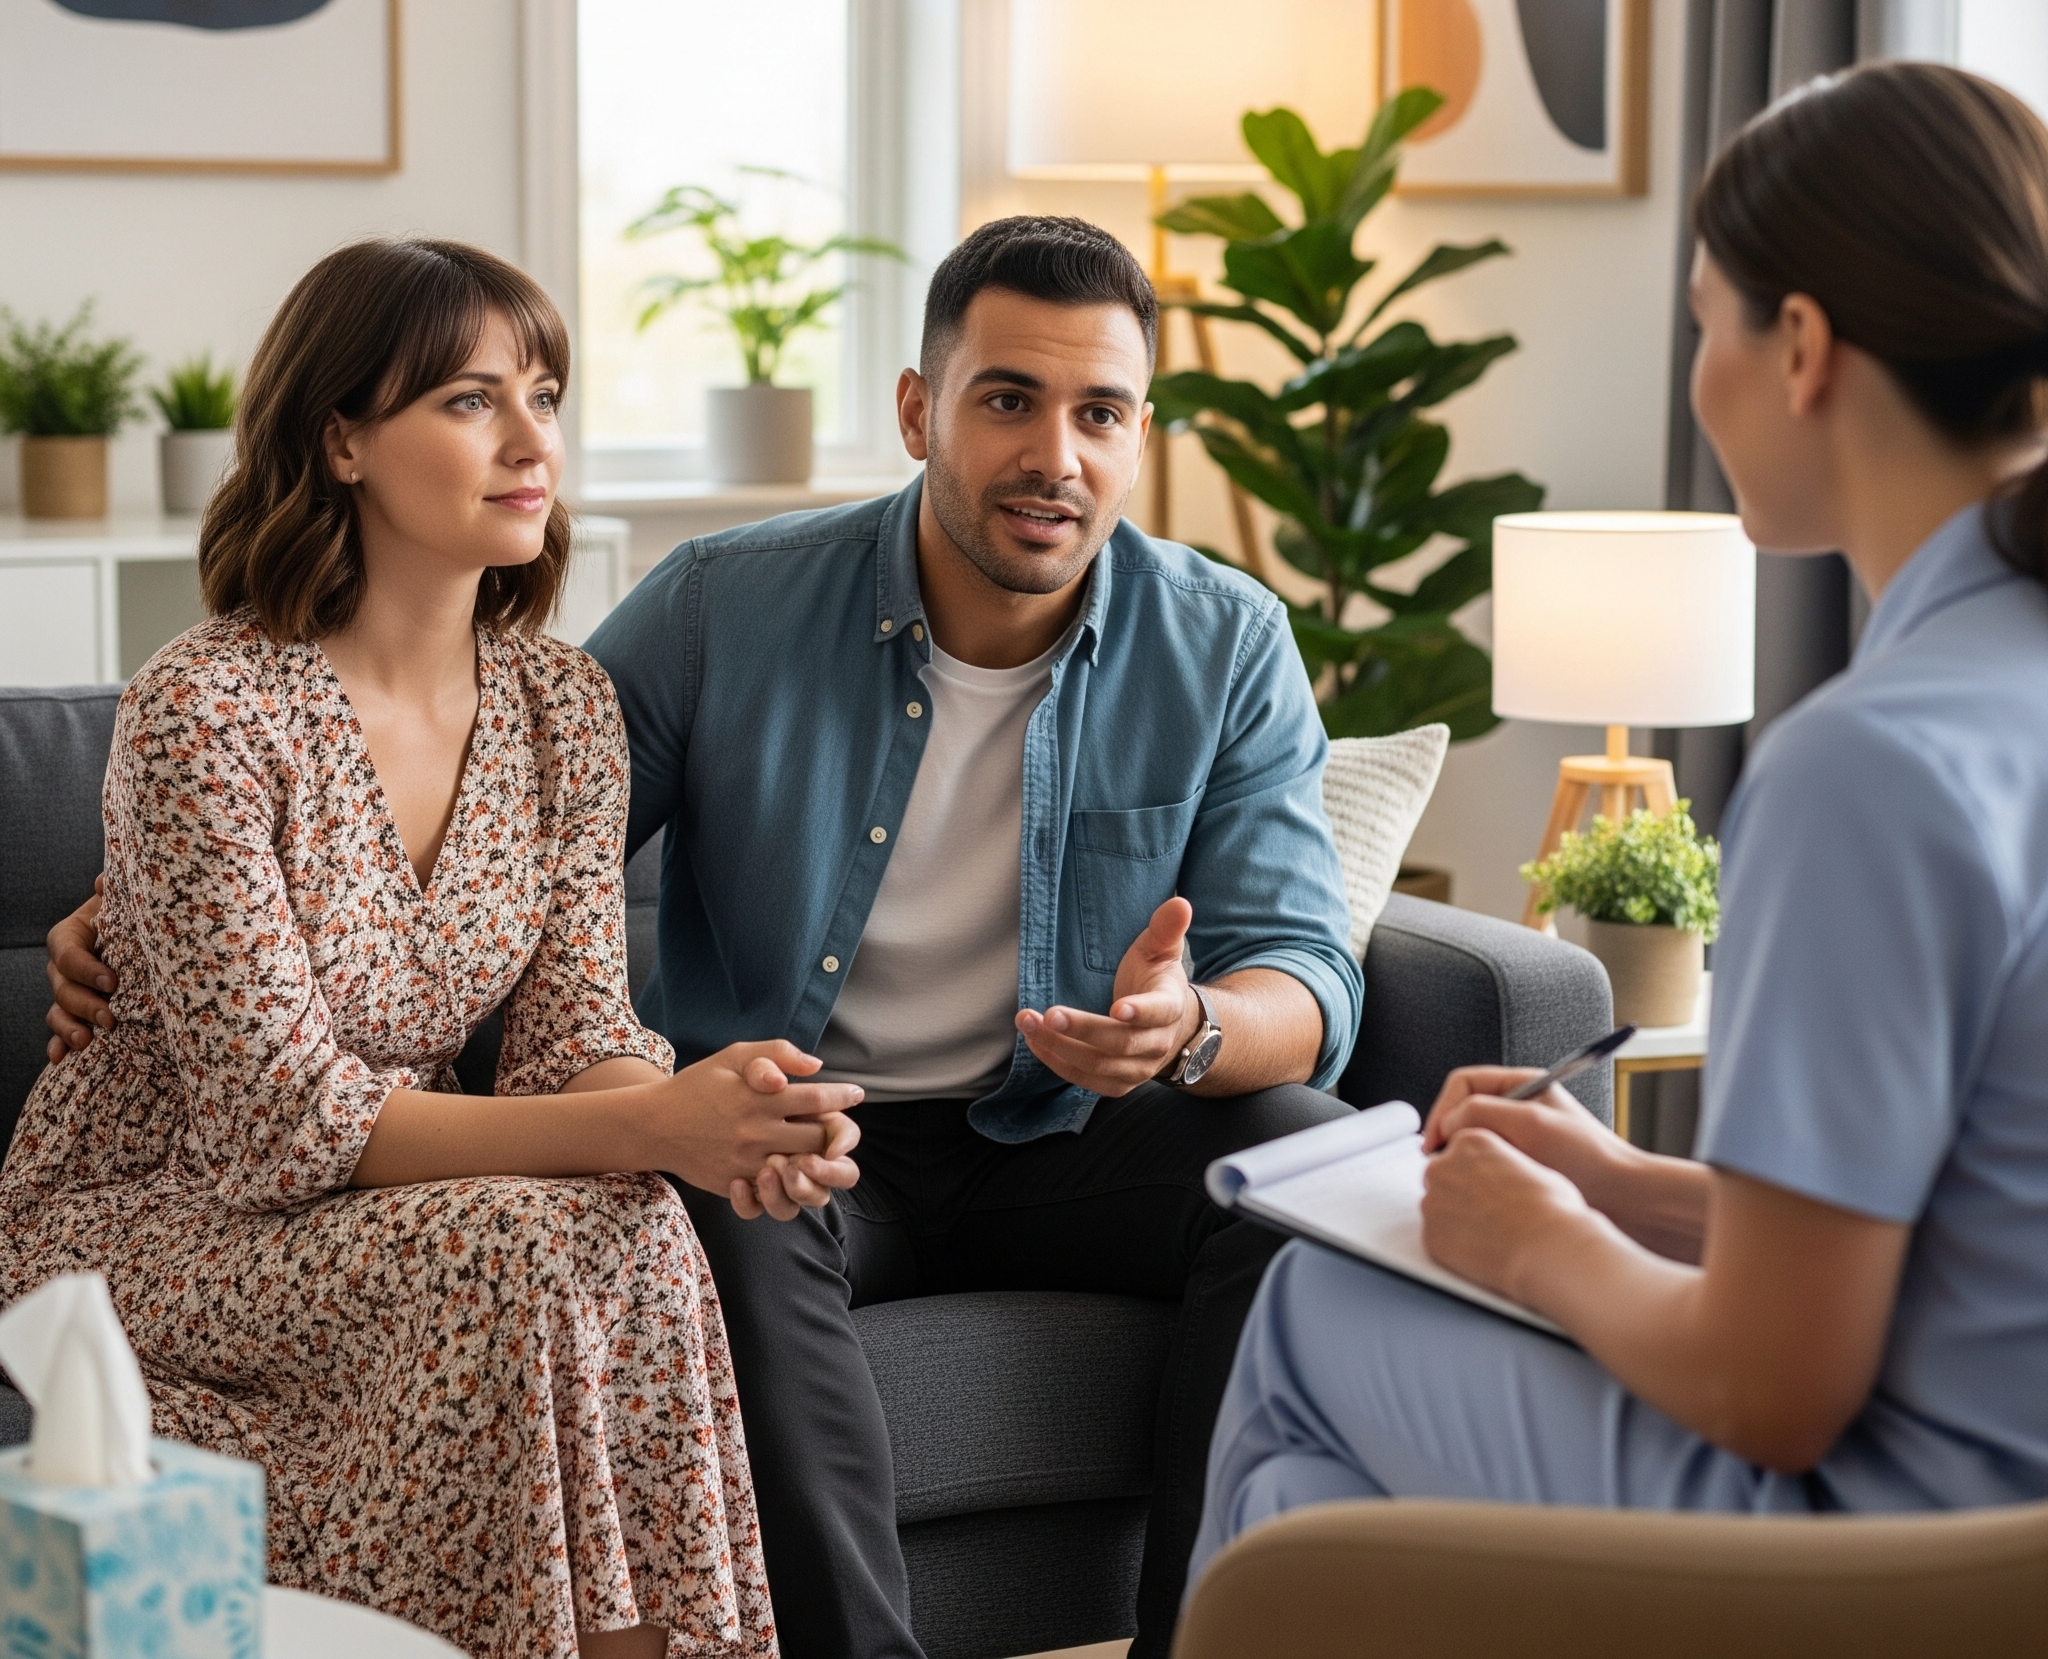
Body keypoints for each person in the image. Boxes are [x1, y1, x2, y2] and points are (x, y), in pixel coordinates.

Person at [49, 213, 1362, 1659]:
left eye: (1098, 412)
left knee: (1302, 1165)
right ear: (921, 410)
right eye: (1008, 400)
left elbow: (1307, 964)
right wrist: (150, 903)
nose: (1056, 452)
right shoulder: (717, 613)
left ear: (1139, 433)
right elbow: (401, 895)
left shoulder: (1221, 642)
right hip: (806, 1122)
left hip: (1069, 1126)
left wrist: (1194, 1031)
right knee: (703, 1201)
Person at [1187, 60, 2048, 1590]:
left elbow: (1774, 1391)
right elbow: (1975, 1232)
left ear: (1800, 348)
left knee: (1315, 1325)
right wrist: (1624, 1188)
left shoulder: (1874, 766)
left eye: (1705, 319)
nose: (1698, 375)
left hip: (1918, 1549)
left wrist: (1538, 1242)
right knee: (1323, 1496)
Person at [12, 238, 873, 1659]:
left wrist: (723, 1125)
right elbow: (279, 1123)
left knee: (633, 1219)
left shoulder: (564, 709)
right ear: (340, 437)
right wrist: (654, 1121)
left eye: (545, 394)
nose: (534, 441)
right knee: (531, 1250)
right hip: (158, 1211)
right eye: (473, 402)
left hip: (387, 1206)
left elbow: (574, 1031)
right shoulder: (207, 710)